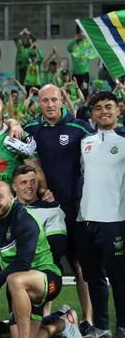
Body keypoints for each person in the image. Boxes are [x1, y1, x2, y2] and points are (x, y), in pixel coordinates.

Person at [23, 84, 93, 331]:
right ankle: (45, 316)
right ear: (39, 103)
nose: (50, 105)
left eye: (54, 99)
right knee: (47, 263)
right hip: (45, 208)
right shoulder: (32, 129)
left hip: (75, 207)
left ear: (63, 100)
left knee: (79, 262)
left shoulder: (80, 127)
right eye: (45, 101)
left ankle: (88, 318)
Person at [0, 181, 62, 338]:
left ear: (11, 198)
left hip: (46, 279)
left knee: (15, 279)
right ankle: (63, 320)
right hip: (17, 289)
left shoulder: (24, 220)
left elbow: (23, 263)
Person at [76, 91, 125, 338]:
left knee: (119, 278)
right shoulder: (85, 142)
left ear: (119, 109)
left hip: (115, 220)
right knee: (93, 277)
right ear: (92, 113)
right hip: (86, 220)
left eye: (109, 107)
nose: (104, 111)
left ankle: (123, 326)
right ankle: (102, 326)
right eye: (98, 108)